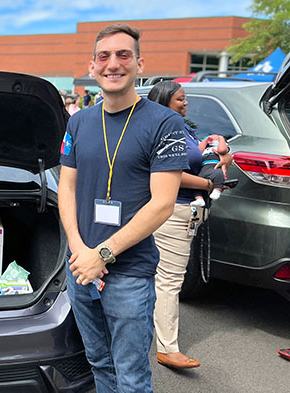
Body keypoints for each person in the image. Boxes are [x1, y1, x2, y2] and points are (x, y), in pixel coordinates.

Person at [58, 24, 189, 392]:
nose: (112, 64)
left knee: (131, 377)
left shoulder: (165, 123)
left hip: (128, 273)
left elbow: (162, 203)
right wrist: (80, 249)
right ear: (92, 66)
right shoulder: (79, 121)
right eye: (104, 56)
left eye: (123, 55)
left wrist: (104, 252)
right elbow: (67, 187)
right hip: (81, 267)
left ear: (139, 64)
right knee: (99, 363)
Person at [147, 80, 232, 369]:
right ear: (165, 101)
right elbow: (170, 174)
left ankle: (143, 332)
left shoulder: (182, 127)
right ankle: (167, 348)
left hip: (186, 212)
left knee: (158, 277)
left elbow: (203, 159)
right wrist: (209, 183)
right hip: (174, 211)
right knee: (169, 280)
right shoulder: (163, 131)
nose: (186, 103)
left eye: (185, 99)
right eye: (180, 99)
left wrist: (222, 154)